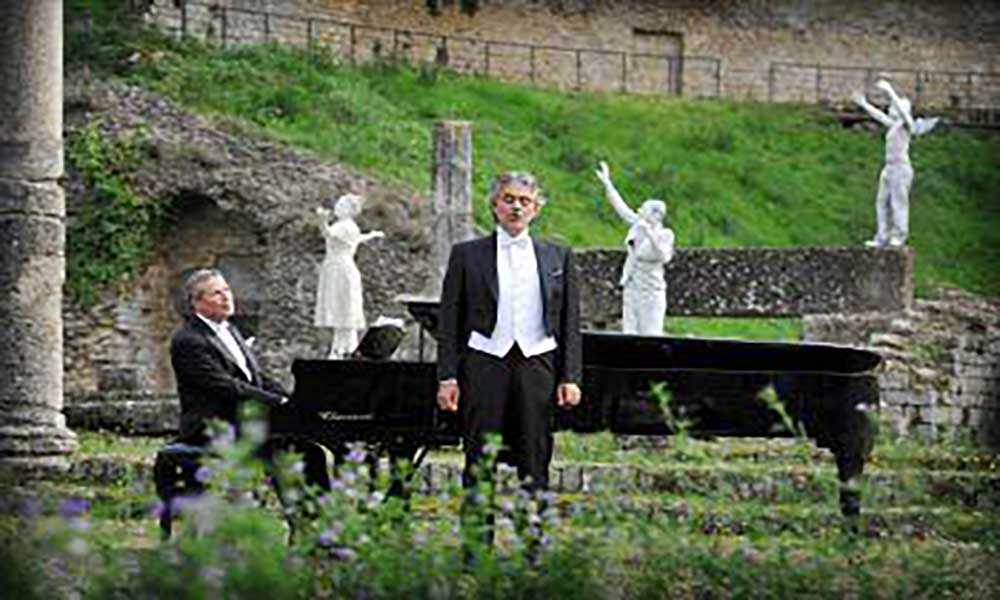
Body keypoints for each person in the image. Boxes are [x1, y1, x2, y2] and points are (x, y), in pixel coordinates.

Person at [436, 171, 582, 503]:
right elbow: (450, 320)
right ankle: (476, 549)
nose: (517, 207)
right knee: (479, 457)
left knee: (535, 454)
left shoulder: (558, 256)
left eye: (525, 201)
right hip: (485, 361)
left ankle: (532, 546)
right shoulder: (467, 254)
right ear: (495, 205)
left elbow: (570, 321)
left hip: (537, 362)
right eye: (509, 199)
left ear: (536, 209)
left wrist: (571, 376)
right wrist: (447, 376)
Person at [171, 268, 330, 490]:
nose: (226, 296)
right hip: (214, 425)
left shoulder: (232, 330)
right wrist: (277, 403)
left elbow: (256, 377)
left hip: (242, 417)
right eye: (216, 293)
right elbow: (226, 386)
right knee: (292, 448)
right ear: (197, 303)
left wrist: (291, 399)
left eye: (226, 290)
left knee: (307, 448)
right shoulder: (189, 340)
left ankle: (314, 515)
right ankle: (305, 514)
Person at [852, 79, 939, 248]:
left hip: (901, 167)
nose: (891, 108)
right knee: (882, 201)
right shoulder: (893, 126)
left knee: (898, 202)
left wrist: (891, 92)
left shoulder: (907, 124)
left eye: (895, 106)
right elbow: (879, 116)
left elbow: (905, 115)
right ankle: (882, 236)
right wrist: (864, 104)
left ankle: (899, 235)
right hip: (889, 167)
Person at [594, 161, 675, 335]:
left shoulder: (665, 234)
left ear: (656, 215)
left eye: (643, 209)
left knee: (651, 333)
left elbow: (664, 255)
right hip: (632, 286)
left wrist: (651, 234)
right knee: (629, 331)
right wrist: (607, 183)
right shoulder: (637, 226)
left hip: (652, 290)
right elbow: (620, 208)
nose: (639, 211)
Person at [314, 193, 385, 359]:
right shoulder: (347, 226)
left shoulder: (344, 226)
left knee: (343, 306)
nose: (338, 208)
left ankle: (343, 347)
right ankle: (341, 345)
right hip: (337, 266)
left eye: (342, 205)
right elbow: (356, 239)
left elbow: (328, 234)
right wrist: (372, 235)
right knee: (342, 306)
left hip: (340, 268)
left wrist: (321, 220)